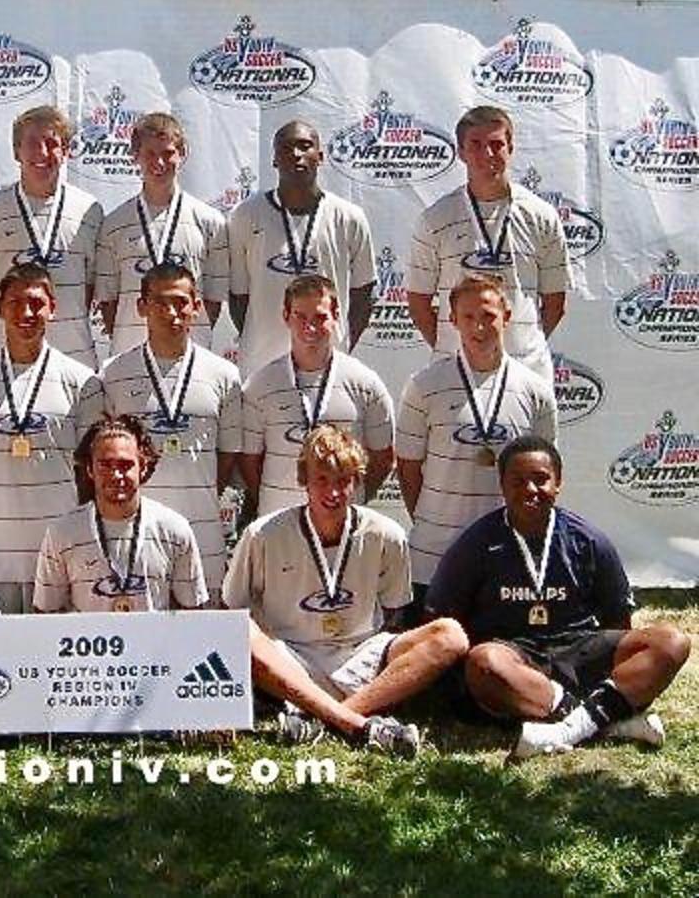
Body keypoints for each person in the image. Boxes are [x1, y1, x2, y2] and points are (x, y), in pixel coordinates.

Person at [426, 435, 691, 760]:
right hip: (514, 660)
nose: (530, 490)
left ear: (558, 483)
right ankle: (604, 721)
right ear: (502, 485)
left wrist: (617, 665)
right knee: (484, 662)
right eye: (518, 481)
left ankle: (568, 727)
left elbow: (619, 622)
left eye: (541, 479)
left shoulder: (588, 539)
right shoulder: (476, 542)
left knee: (671, 642)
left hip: (579, 651)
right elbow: (444, 622)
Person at [225, 426, 469, 756]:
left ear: (357, 482)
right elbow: (233, 609)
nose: (334, 492)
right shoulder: (262, 534)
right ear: (303, 480)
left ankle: (324, 719)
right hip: (291, 659)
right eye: (322, 479)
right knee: (238, 633)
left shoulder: (386, 534)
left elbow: (395, 614)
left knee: (451, 635)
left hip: (361, 653)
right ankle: (358, 725)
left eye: (344, 480)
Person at [0, 262, 104, 613]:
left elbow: (87, 471)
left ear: (53, 307)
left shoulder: (83, 381)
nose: (26, 312)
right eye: (16, 302)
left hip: (59, 552)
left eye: (36, 303)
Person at [396, 276, 557, 610]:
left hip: (508, 556)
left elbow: (545, 474)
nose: (479, 327)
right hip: (433, 556)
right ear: (452, 320)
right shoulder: (424, 386)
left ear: (506, 317)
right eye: (468, 317)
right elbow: (408, 469)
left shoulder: (536, 390)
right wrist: (432, 519)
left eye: (488, 316)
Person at [100, 263, 241, 600]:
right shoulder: (113, 374)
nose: (172, 313)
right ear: (141, 307)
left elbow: (229, 456)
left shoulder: (225, 376)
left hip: (203, 535)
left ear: (196, 305)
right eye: (161, 303)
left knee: (202, 642)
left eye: (180, 302)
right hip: (135, 539)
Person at [406, 105, 571, 383]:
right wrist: (455, 347)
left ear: (511, 148)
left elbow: (555, 302)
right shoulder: (435, 219)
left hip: (526, 370)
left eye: (497, 145)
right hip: (455, 371)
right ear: (461, 152)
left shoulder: (542, 216)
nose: (487, 154)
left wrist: (524, 344)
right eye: (476, 145)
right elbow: (418, 302)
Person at [229, 119, 375, 380]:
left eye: (305, 146)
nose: (296, 154)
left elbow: (363, 294)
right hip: (262, 366)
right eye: (286, 148)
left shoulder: (349, 217)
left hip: (328, 366)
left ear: (320, 156)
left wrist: (339, 341)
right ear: (274, 159)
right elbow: (238, 297)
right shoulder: (246, 215)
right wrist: (261, 337)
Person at [241, 274, 393, 519]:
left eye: (320, 317)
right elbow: (249, 463)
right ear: (286, 317)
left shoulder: (366, 384)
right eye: (300, 317)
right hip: (279, 527)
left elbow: (383, 459)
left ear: (336, 317)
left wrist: (355, 497)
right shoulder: (260, 386)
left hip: (343, 532)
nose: (310, 327)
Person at [34, 416, 208, 613]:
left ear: (143, 468)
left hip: (154, 643)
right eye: (105, 465)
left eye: (125, 465)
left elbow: (193, 612)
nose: (116, 475)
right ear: (90, 470)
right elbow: (46, 613)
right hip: (90, 643)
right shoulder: (62, 533)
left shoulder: (175, 530)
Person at [0, 105, 104, 368]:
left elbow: (89, 288)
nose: (42, 153)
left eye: (52, 143)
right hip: (5, 358)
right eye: (32, 143)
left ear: (66, 151)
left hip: (73, 359)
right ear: (16, 151)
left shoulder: (89, 211)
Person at [94, 112, 229, 355]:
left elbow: (213, 301)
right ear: (135, 156)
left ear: (182, 154)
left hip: (191, 358)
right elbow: (108, 301)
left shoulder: (211, 222)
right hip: (131, 356)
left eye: (168, 153)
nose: (159, 163)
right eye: (150, 154)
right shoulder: (113, 225)